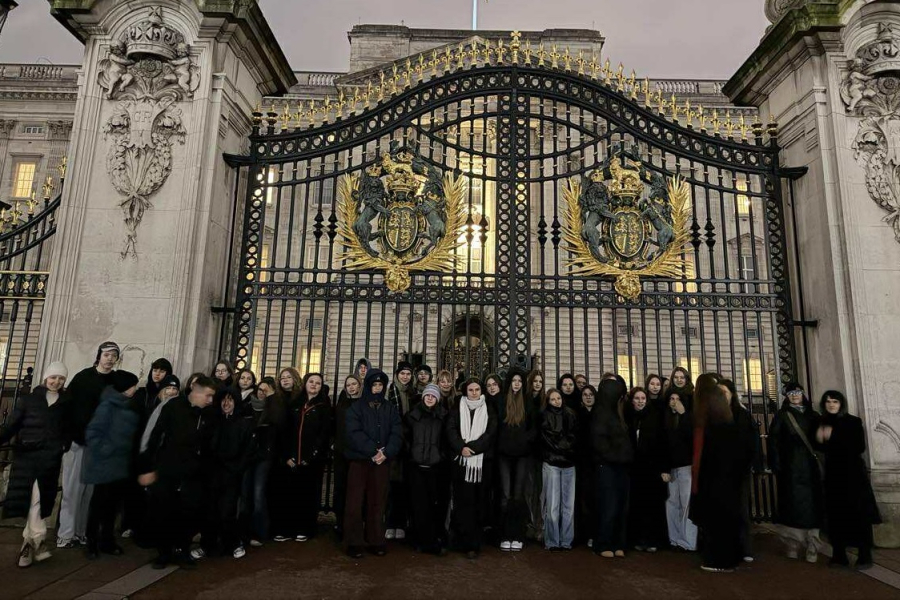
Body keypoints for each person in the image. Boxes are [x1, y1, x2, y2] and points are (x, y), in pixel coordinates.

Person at [139, 375, 217, 569]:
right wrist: (147, 467)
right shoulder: (173, 407)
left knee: (188, 512)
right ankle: (164, 552)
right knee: (163, 510)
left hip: (194, 472)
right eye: (208, 395)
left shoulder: (209, 414)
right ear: (196, 392)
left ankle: (182, 550)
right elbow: (155, 436)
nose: (210, 400)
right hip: (168, 468)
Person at [1, 362, 69, 568]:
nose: (56, 382)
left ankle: (29, 545)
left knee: (37, 500)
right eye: (53, 377)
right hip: (27, 457)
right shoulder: (28, 400)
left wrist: (64, 444)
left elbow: (69, 427)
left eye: (61, 378)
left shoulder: (66, 403)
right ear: (45, 377)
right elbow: (11, 424)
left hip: (49, 459)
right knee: (33, 500)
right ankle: (35, 541)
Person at [690, 374, 755, 572]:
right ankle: (728, 556)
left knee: (717, 521)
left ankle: (720, 560)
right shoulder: (725, 418)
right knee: (724, 519)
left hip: (715, 479)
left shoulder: (711, 421)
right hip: (726, 479)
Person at [57, 341, 119, 549]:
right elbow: (68, 407)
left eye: (113, 355)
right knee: (72, 489)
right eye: (106, 354)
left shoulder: (115, 381)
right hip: (79, 440)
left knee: (89, 493)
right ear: (99, 355)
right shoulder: (83, 378)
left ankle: (81, 532)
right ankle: (66, 534)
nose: (110, 358)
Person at [817, 390, 881, 569]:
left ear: (841, 404)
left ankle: (864, 554)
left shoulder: (853, 421)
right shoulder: (821, 422)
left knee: (859, 514)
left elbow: (859, 446)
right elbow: (818, 445)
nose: (831, 405)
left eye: (835, 402)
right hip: (833, 476)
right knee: (836, 515)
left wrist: (832, 437)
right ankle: (839, 554)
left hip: (853, 475)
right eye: (828, 402)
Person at [344, 368, 402, 558]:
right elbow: (353, 433)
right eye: (374, 384)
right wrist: (372, 451)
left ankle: (376, 539)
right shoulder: (356, 408)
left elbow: (396, 432)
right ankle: (354, 541)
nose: (377, 388)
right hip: (360, 461)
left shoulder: (390, 408)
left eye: (380, 385)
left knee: (378, 502)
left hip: (381, 462)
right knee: (355, 502)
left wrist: (386, 452)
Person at [83, 370, 141, 559]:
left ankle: (107, 540)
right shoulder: (108, 406)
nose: (136, 388)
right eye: (133, 385)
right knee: (99, 505)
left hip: (119, 464)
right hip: (105, 463)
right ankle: (92, 541)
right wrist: (108, 450)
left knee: (112, 506)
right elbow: (93, 432)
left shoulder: (128, 405)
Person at [193, 387, 255, 560]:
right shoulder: (212, 422)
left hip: (231, 473)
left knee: (227, 510)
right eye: (223, 400)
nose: (226, 403)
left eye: (230, 400)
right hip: (212, 472)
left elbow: (247, 450)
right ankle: (207, 544)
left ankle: (233, 543)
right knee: (210, 509)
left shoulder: (243, 423)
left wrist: (237, 468)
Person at [768, 383, 824, 562]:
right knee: (793, 505)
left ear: (802, 394)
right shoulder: (782, 416)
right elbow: (773, 441)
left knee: (813, 505)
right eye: (791, 393)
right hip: (790, 466)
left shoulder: (813, 415)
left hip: (810, 466)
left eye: (797, 392)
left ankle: (812, 543)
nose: (794, 396)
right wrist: (776, 463)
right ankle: (793, 542)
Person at [447, 378, 498, 559]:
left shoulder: (488, 408)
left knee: (478, 502)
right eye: (471, 389)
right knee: (461, 502)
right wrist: (461, 447)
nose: (474, 392)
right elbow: (451, 429)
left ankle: (473, 544)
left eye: (477, 389)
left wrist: (473, 448)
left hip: (481, 464)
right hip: (461, 462)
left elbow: (491, 433)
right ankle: (460, 540)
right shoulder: (457, 407)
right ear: (465, 391)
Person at [123, 358, 173, 539]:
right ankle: (130, 524)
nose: (157, 374)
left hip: (154, 449)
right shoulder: (142, 393)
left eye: (162, 371)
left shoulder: (169, 397)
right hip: (137, 445)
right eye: (155, 370)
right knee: (134, 488)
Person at [280, 373, 332, 542]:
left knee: (308, 495)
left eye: (318, 383)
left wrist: (312, 456)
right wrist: (287, 455)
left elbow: (324, 434)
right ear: (305, 383)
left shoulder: (324, 406)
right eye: (311, 382)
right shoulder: (295, 403)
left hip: (311, 460)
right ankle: (287, 528)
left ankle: (305, 528)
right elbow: (286, 431)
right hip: (292, 458)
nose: (314, 385)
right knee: (289, 494)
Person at [404, 383, 449, 555]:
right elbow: (405, 437)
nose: (430, 398)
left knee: (433, 504)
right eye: (427, 395)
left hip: (435, 466)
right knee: (418, 504)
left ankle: (432, 539)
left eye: (433, 396)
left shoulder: (443, 416)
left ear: (437, 399)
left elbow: (446, 439)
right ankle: (419, 539)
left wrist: (440, 456)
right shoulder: (412, 415)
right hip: (416, 465)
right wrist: (411, 453)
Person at [590, 378, 633, 558]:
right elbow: (599, 443)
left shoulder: (619, 413)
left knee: (622, 505)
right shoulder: (600, 414)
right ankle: (603, 542)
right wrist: (618, 456)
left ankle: (618, 542)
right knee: (609, 504)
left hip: (621, 466)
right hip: (607, 465)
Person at [720, 378, 761, 562]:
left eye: (725, 393)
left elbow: (752, 442)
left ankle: (745, 547)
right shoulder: (714, 415)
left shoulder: (742, 415)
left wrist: (753, 463)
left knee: (741, 509)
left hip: (739, 469)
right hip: (720, 470)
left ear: (732, 394)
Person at [496, 369, 536, 552]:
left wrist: (525, 440)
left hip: (522, 454)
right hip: (504, 454)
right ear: (509, 382)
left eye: (520, 380)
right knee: (505, 495)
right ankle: (505, 534)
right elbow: (496, 424)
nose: (517, 383)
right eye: (514, 380)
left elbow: (535, 427)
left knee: (518, 496)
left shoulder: (528, 402)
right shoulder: (501, 400)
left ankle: (517, 535)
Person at [625, 387, 667, 553]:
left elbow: (662, 443)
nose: (640, 401)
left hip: (651, 468)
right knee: (636, 505)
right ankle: (638, 538)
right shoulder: (628, 418)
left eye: (643, 398)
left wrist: (663, 468)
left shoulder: (654, 417)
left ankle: (652, 539)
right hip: (634, 468)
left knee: (652, 505)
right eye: (637, 398)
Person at [242, 376, 279, 547]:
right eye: (260, 390)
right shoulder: (248, 406)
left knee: (258, 493)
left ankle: (259, 531)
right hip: (248, 455)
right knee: (245, 493)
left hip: (264, 456)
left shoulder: (273, 407)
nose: (262, 393)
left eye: (266, 390)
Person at [540, 388, 578, 551]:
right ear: (548, 401)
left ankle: (566, 540)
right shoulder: (544, 415)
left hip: (568, 463)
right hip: (552, 462)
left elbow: (575, 435)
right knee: (553, 505)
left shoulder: (570, 413)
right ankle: (552, 541)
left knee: (568, 505)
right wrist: (565, 447)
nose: (557, 401)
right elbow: (547, 438)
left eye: (559, 398)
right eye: (553, 399)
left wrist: (565, 447)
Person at [663, 388, 697, 551]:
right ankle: (674, 538)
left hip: (686, 466)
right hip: (671, 468)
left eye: (678, 398)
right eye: (672, 398)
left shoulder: (688, 418)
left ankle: (688, 540)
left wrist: (683, 415)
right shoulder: (666, 419)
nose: (674, 401)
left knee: (687, 504)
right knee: (672, 503)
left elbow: (690, 438)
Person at [386, 361, 415, 540]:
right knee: (391, 486)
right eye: (403, 373)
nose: (405, 377)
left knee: (405, 486)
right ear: (397, 374)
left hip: (409, 444)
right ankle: (390, 522)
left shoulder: (413, 393)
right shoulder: (390, 392)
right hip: (394, 442)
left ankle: (402, 523)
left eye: (408, 374)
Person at [333, 374, 362, 538]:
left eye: (354, 384)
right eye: (348, 384)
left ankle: (355, 522)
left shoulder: (363, 403)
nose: (351, 387)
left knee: (356, 488)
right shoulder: (341, 402)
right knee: (340, 487)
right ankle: (340, 521)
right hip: (341, 450)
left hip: (358, 451)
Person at [525, 369, 547, 541]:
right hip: (526, 451)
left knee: (539, 491)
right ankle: (529, 524)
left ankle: (539, 525)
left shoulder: (544, 401)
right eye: (535, 381)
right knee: (528, 489)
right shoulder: (525, 400)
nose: (538, 384)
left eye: (540, 381)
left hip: (540, 451)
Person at [575, 384, 598, 547]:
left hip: (598, 462)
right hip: (582, 463)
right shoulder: (578, 415)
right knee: (583, 499)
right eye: (585, 395)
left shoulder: (600, 415)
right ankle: (585, 534)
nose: (588, 397)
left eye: (591, 394)